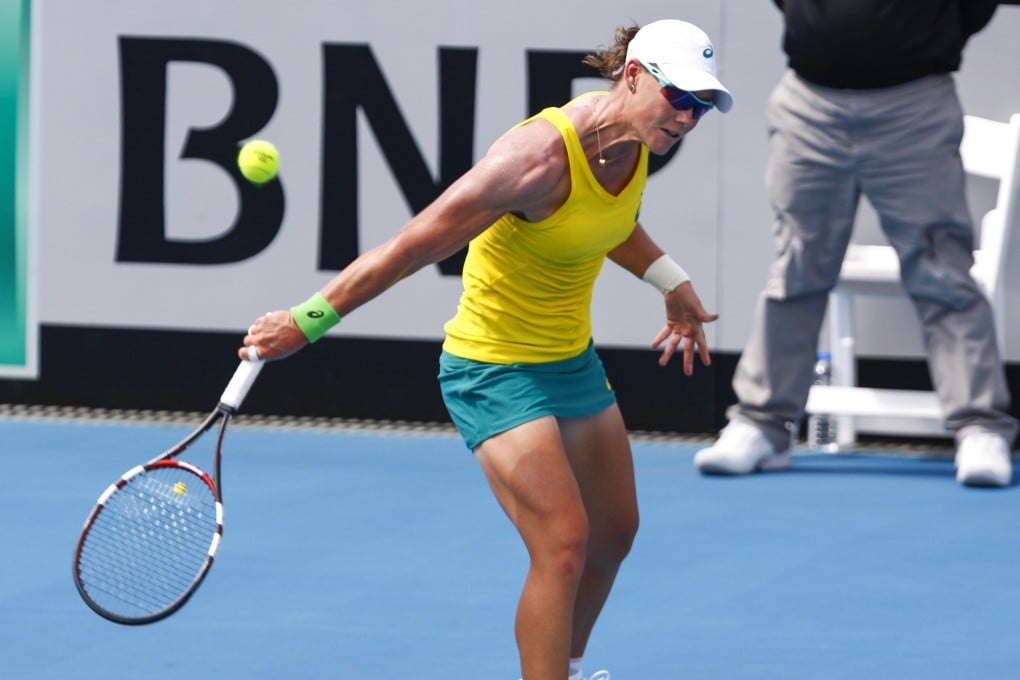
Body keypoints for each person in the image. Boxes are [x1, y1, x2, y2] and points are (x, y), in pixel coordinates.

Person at [239, 18, 731, 680]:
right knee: (562, 543)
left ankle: (570, 667)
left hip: (569, 360)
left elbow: (607, 222)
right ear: (635, 77)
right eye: (681, 99)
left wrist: (669, 280)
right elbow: (414, 244)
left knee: (615, 534)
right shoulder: (534, 159)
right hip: (493, 368)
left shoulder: (637, 142)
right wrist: (309, 319)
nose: (689, 119)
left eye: (702, 106)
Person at [694, 0, 1019, 487]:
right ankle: (763, 424)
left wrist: (924, 36)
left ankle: (980, 426)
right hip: (809, 102)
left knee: (941, 269)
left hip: (915, 104)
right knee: (796, 268)